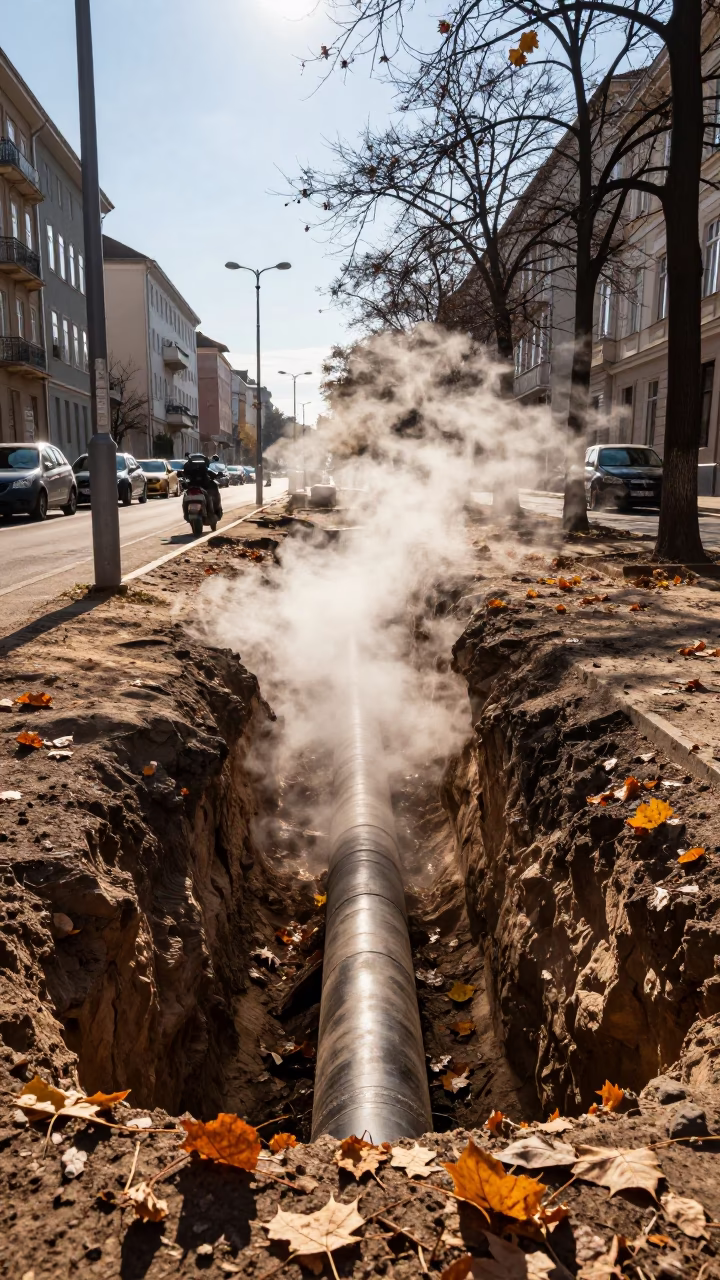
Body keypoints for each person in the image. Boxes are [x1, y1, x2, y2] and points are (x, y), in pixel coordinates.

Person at [182, 452, 222, 519]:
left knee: (210, 496)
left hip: (198, 487)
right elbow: (182, 476)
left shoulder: (205, 474)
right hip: (194, 488)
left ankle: (213, 512)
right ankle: (212, 513)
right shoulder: (189, 475)